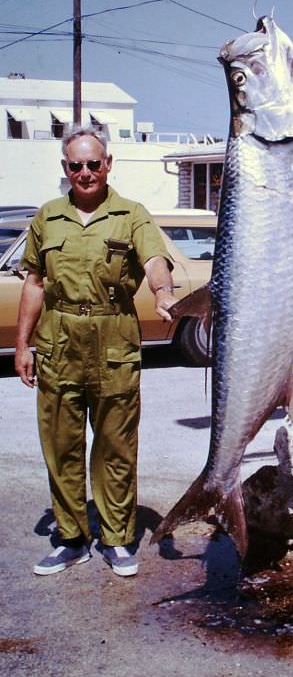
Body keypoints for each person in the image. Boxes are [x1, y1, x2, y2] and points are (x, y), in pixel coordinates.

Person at [15, 125, 179, 579]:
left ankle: (117, 539)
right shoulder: (47, 216)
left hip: (113, 341)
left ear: (108, 165)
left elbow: (154, 261)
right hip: (58, 342)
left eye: (93, 163)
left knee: (115, 449)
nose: (85, 172)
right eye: (76, 165)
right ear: (65, 169)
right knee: (61, 447)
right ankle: (70, 539)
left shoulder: (132, 214)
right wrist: (23, 344)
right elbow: (34, 282)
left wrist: (163, 293)